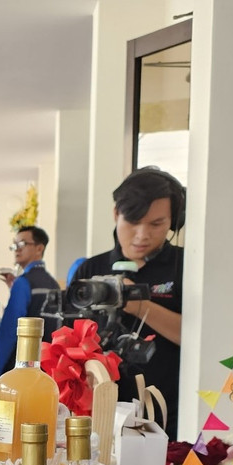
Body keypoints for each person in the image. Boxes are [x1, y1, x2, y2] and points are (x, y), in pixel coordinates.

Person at [69, 166, 186, 439]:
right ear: (116, 214)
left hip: (166, 409)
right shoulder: (91, 270)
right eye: (133, 221)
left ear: (173, 221)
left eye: (156, 224)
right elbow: (69, 341)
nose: (142, 235)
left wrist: (137, 304)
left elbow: (197, 339)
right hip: (100, 410)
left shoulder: (185, 266)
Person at [0, 225, 59, 378]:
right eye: (14, 245)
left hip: (22, 367)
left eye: (22, 244)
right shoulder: (53, 284)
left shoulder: (24, 283)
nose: (17, 249)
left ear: (39, 248)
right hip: (47, 367)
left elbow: (9, 331)